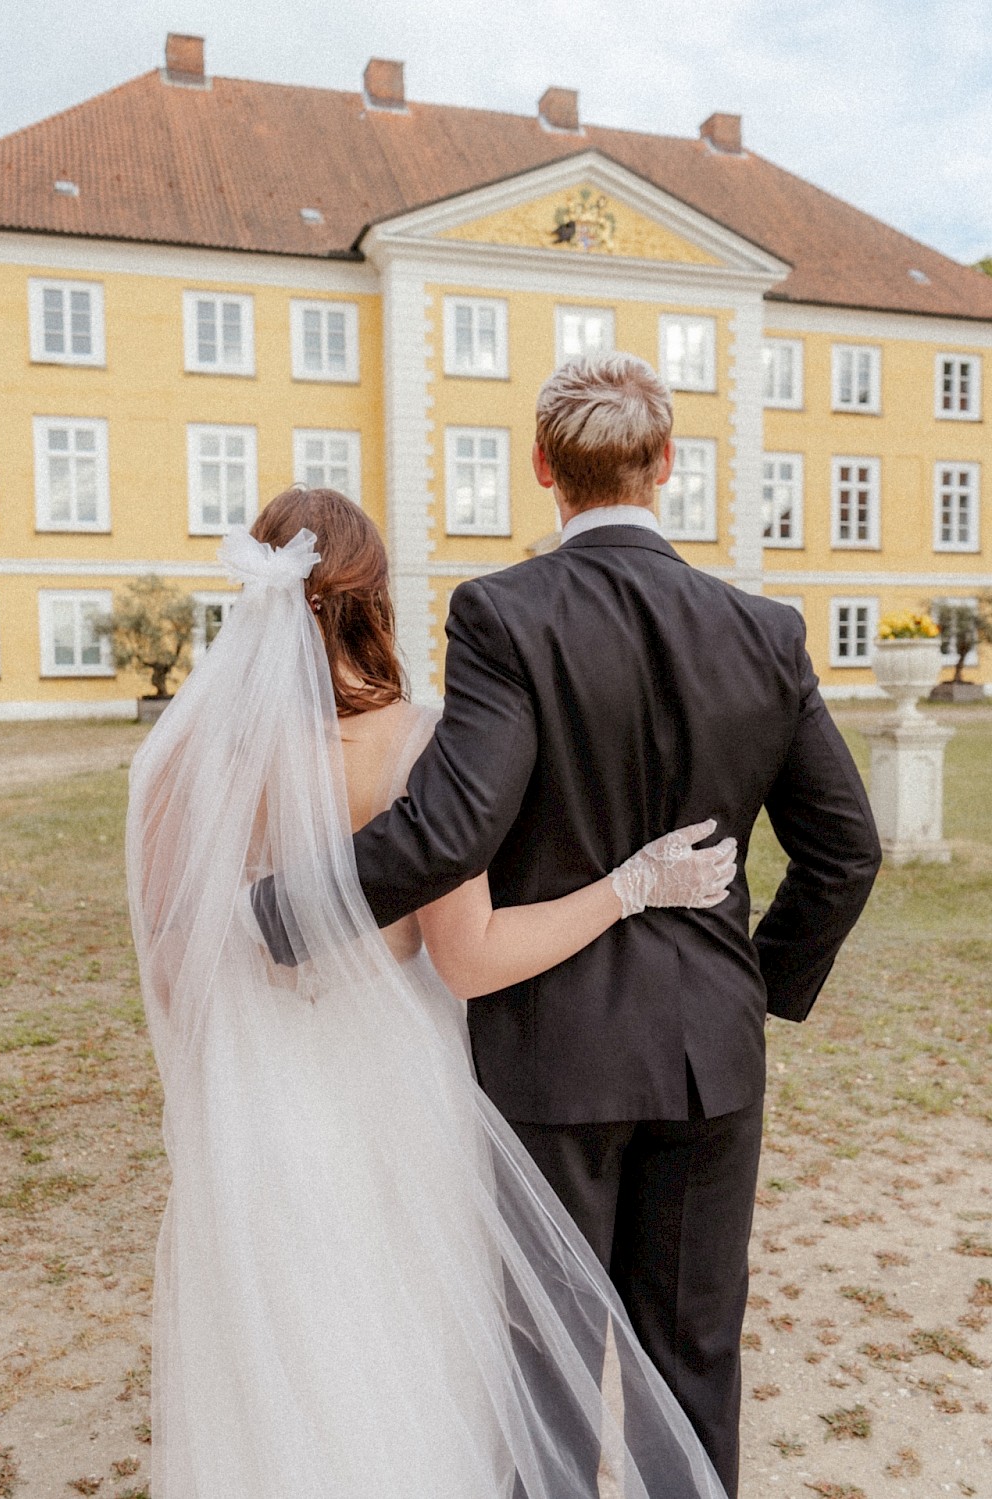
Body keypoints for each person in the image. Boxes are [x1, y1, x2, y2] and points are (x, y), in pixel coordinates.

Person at [332, 353, 880, 1496]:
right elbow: (844, 850)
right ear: (666, 463)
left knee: (549, 1363)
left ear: (542, 467)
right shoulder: (765, 628)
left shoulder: (502, 612)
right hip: (708, 1053)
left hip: (551, 1050)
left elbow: (450, 829)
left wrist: (285, 907)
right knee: (695, 1356)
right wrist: (753, 984)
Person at [125, 486, 737, 1498]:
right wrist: (628, 888)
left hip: (256, 1099)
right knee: (406, 1342)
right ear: (375, 598)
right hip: (394, 1097)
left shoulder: (183, 754)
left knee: (275, 1353)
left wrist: (246, 1037)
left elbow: (169, 965)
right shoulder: (421, 743)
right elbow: (471, 959)